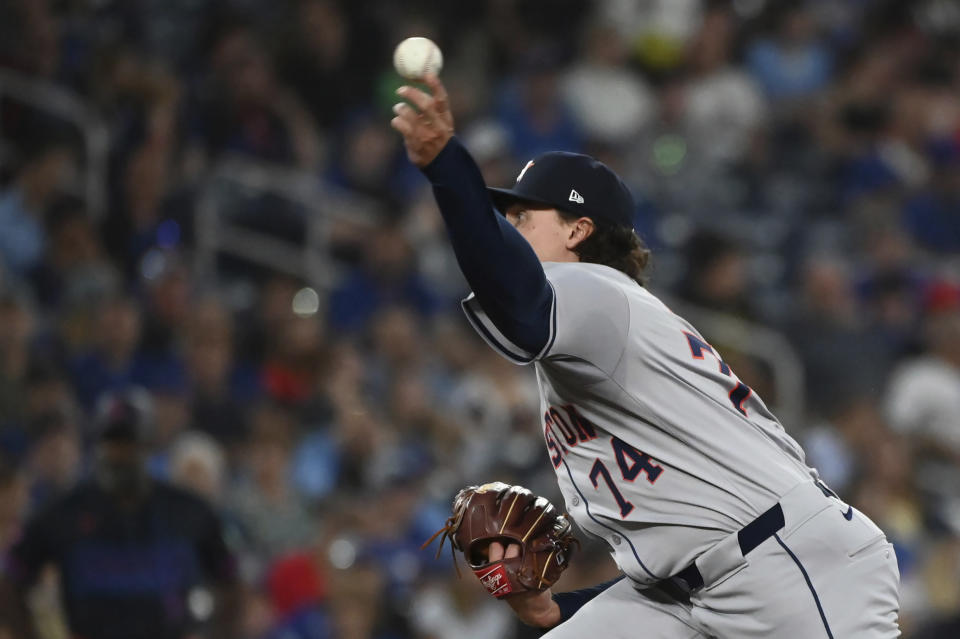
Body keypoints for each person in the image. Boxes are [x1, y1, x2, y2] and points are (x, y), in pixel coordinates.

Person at [390, 74, 900, 638]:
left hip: (792, 567)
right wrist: (562, 608)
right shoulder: (587, 332)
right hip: (690, 590)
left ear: (578, 231)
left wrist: (448, 170)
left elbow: (517, 300)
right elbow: (679, 565)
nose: (508, 229)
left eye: (522, 217)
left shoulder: (597, 295)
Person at [1, 392, 240, 639]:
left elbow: (230, 579)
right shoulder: (65, 511)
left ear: (149, 446)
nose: (121, 454)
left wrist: (216, 631)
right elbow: (12, 583)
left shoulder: (187, 509)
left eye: (130, 442)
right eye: (113, 443)